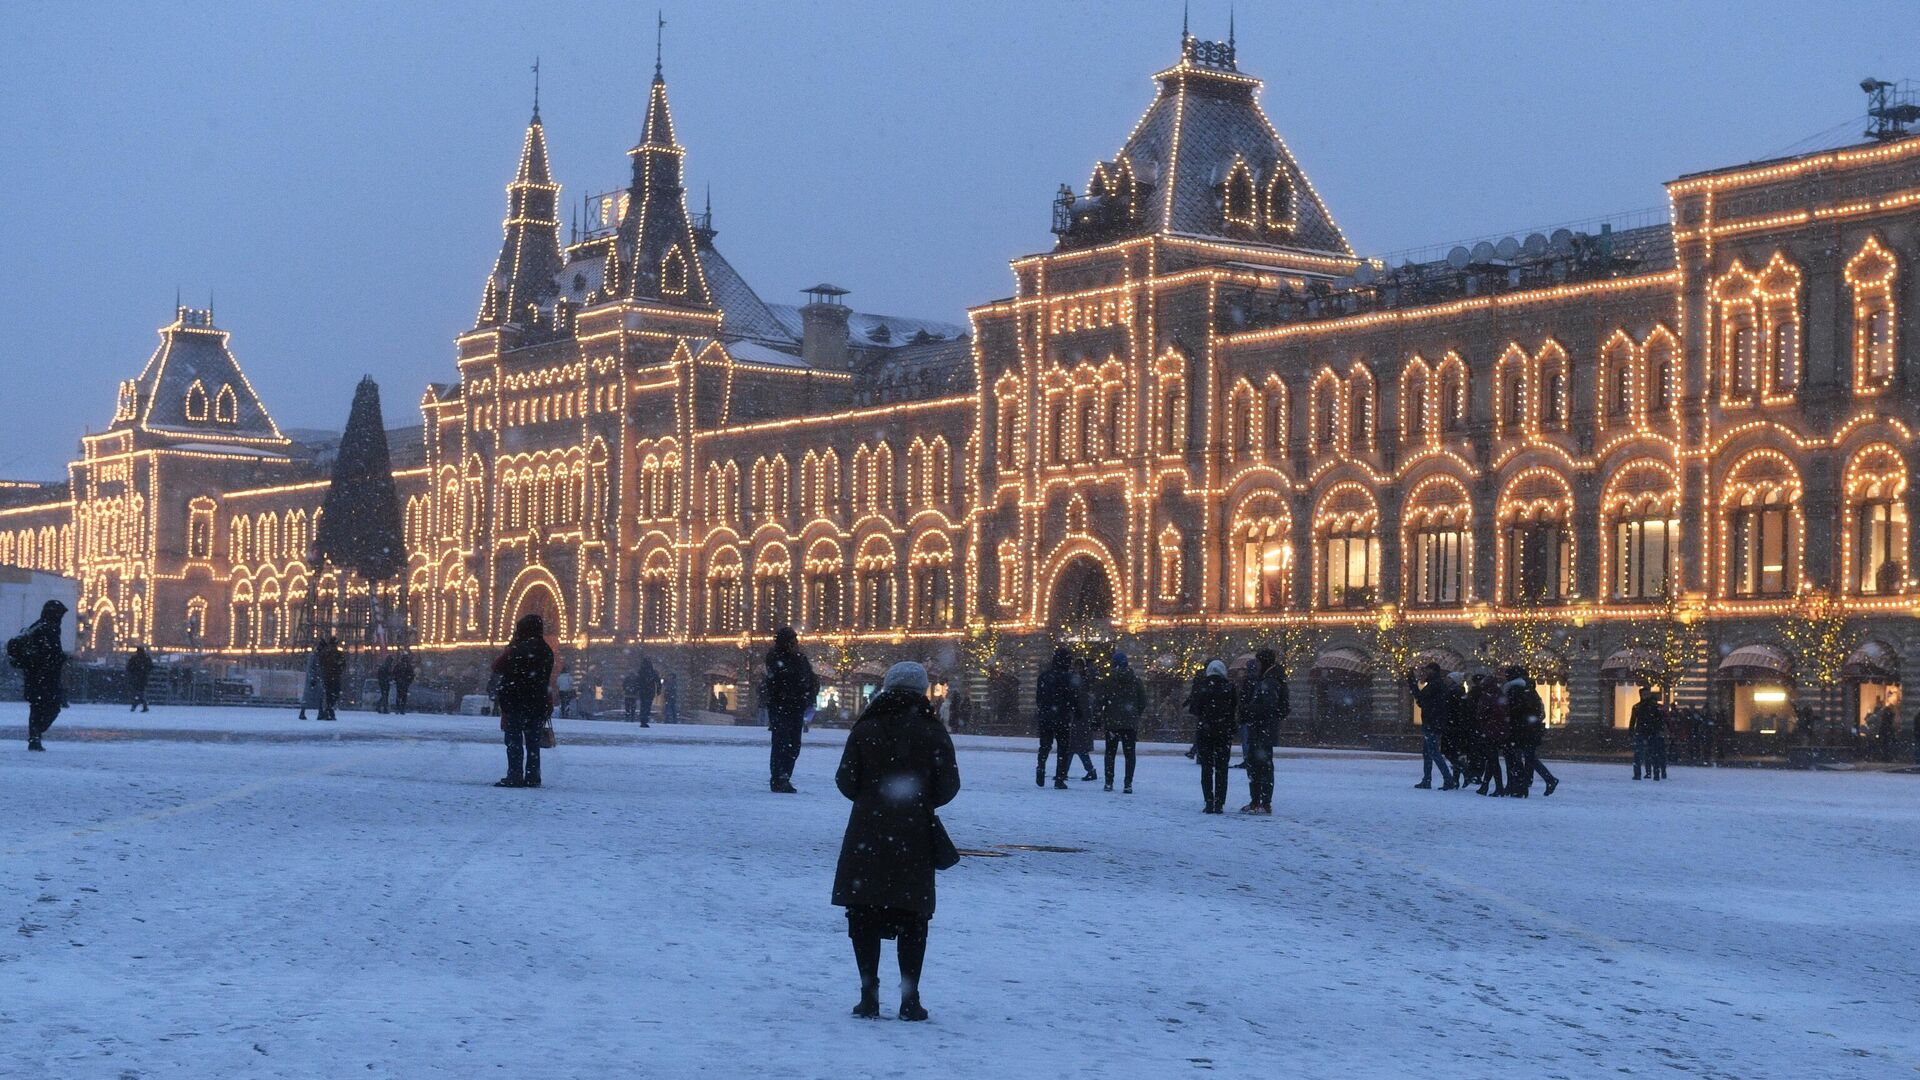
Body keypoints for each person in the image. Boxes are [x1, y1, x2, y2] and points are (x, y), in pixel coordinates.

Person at [832, 661, 961, 1022]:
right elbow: (949, 785)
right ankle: (910, 999)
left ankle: (868, 996)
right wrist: (918, 801)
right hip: (914, 835)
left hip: (867, 833)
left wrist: (873, 799)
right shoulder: (933, 731)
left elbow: (845, 781)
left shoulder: (866, 728)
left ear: (886, 689)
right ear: (921, 692)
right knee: (913, 918)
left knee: (863, 914)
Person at [491, 613, 553, 788]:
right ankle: (533, 776)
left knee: (514, 740)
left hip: (516, 701)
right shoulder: (546, 649)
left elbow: (496, 666)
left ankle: (515, 775)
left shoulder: (517, 649)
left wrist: (510, 649)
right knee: (533, 742)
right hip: (538, 701)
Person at [761, 626, 818, 794]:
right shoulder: (776, 658)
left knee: (793, 745)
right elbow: (783, 679)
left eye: (796, 641)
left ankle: (785, 776)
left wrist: (809, 691)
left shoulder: (800, 659)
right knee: (782, 743)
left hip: (796, 707)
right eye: (792, 641)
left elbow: (809, 678)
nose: (796, 644)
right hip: (782, 707)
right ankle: (779, 778)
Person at [8, 599, 69, 751]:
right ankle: (35, 736)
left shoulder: (39, 627)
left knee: (39, 707)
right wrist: (58, 659)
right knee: (48, 707)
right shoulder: (46, 629)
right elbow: (48, 653)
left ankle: (35, 736)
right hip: (43, 676)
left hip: (37, 676)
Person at [1238, 649, 1287, 814]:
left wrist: (1248, 710)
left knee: (1260, 766)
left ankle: (1261, 802)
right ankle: (1259, 801)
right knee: (1259, 766)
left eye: (1258, 662)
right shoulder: (1269, 679)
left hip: (1261, 730)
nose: (1256, 665)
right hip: (1263, 729)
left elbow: (1267, 707)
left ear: (1264, 662)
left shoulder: (1270, 681)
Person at [1188, 660, 1239, 813]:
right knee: (1222, 768)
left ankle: (1209, 801)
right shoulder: (1229, 688)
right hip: (1224, 731)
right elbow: (1233, 708)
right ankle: (1220, 802)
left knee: (1207, 768)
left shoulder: (1203, 686)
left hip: (1206, 731)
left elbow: (1194, 709)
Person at [1094, 651, 1147, 793]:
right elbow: (1143, 701)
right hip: (1130, 724)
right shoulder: (1135, 680)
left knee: (1110, 753)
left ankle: (1109, 782)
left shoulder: (1108, 680)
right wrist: (1135, 714)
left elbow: (1100, 700)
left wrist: (1101, 715)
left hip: (1112, 722)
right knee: (1129, 754)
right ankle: (1128, 783)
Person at [1503, 665, 1558, 797]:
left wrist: (1508, 717)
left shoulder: (1515, 689)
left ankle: (1519, 786)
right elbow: (1534, 709)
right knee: (1528, 757)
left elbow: (1514, 709)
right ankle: (1542, 780)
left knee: (1517, 757)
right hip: (1530, 728)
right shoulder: (1529, 689)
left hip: (1519, 728)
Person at [1033, 647, 1080, 789]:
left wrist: (1044, 709)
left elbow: (1039, 698)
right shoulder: (1068, 678)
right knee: (1063, 748)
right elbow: (1072, 698)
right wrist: (1077, 711)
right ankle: (1059, 778)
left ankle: (1041, 768)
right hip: (1062, 717)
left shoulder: (1044, 676)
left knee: (1045, 746)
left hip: (1047, 716)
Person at [1407, 663, 1459, 790]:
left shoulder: (1434, 685)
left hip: (1432, 722)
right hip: (1434, 722)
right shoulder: (1436, 684)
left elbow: (1420, 698)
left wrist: (1412, 682)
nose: (1425, 672)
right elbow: (1423, 701)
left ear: (1433, 671)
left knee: (1433, 752)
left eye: (1427, 670)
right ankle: (1428, 779)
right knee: (1428, 751)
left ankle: (1447, 779)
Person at [1467, 673, 1508, 796]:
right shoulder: (1499, 695)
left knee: (1492, 760)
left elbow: (1482, 713)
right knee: (1492, 759)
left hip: (1490, 730)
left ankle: (1497, 787)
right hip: (1498, 730)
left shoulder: (1487, 696)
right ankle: (1486, 786)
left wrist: (1482, 722)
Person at [1068, 656, 1099, 781]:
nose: (1077, 669)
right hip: (1077, 716)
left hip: (1080, 716)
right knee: (1074, 747)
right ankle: (1089, 770)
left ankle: (1089, 770)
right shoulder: (1081, 680)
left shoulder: (1084, 681)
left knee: (1074, 747)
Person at [1629, 686, 1661, 781]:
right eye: (1644, 694)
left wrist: (1658, 729)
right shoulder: (1637, 707)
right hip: (1641, 732)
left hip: (1651, 732)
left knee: (1653, 754)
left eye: (1647, 694)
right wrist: (1631, 732)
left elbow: (1659, 720)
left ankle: (1655, 774)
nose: (1645, 696)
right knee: (1638, 754)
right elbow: (1633, 720)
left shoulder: (1654, 707)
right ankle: (1637, 774)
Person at [316, 635, 346, 721]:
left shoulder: (332, 654)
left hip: (331, 677)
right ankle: (329, 710)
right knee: (332, 695)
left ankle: (328, 710)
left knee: (332, 694)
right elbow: (342, 665)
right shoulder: (331, 654)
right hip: (331, 677)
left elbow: (343, 665)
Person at [626, 652, 660, 726]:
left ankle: (643, 720)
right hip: (650, 691)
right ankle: (645, 719)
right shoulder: (652, 672)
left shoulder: (641, 672)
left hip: (643, 691)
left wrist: (637, 689)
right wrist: (658, 690)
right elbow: (657, 681)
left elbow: (637, 682)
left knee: (643, 705)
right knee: (647, 706)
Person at [125, 644, 153, 713]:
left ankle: (136, 704)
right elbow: (150, 667)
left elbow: (129, 667)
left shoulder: (134, 658)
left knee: (136, 692)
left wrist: (133, 672)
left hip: (136, 677)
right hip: (143, 678)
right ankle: (141, 705)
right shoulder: (146, 658)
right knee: (141, 692)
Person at [391, 646, 415, 715]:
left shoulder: (399, 665)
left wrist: (396, 680)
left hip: (399, 683)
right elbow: (412, 674)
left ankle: (398, 708)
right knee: (404, 696)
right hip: (405, 683)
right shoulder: (408, 666)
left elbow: (394, 673)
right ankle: (402, 708)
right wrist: (409, 681)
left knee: (399, 696)